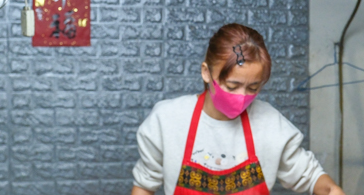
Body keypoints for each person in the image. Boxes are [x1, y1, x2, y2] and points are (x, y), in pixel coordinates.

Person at [131, 23, 345, 195]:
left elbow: (312, 177)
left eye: (253, 87)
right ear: (206, 73)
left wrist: (331, 190)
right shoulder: (168, 120)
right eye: (232, 86)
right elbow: (144, 186)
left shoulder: (270, 124)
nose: (242, 97)